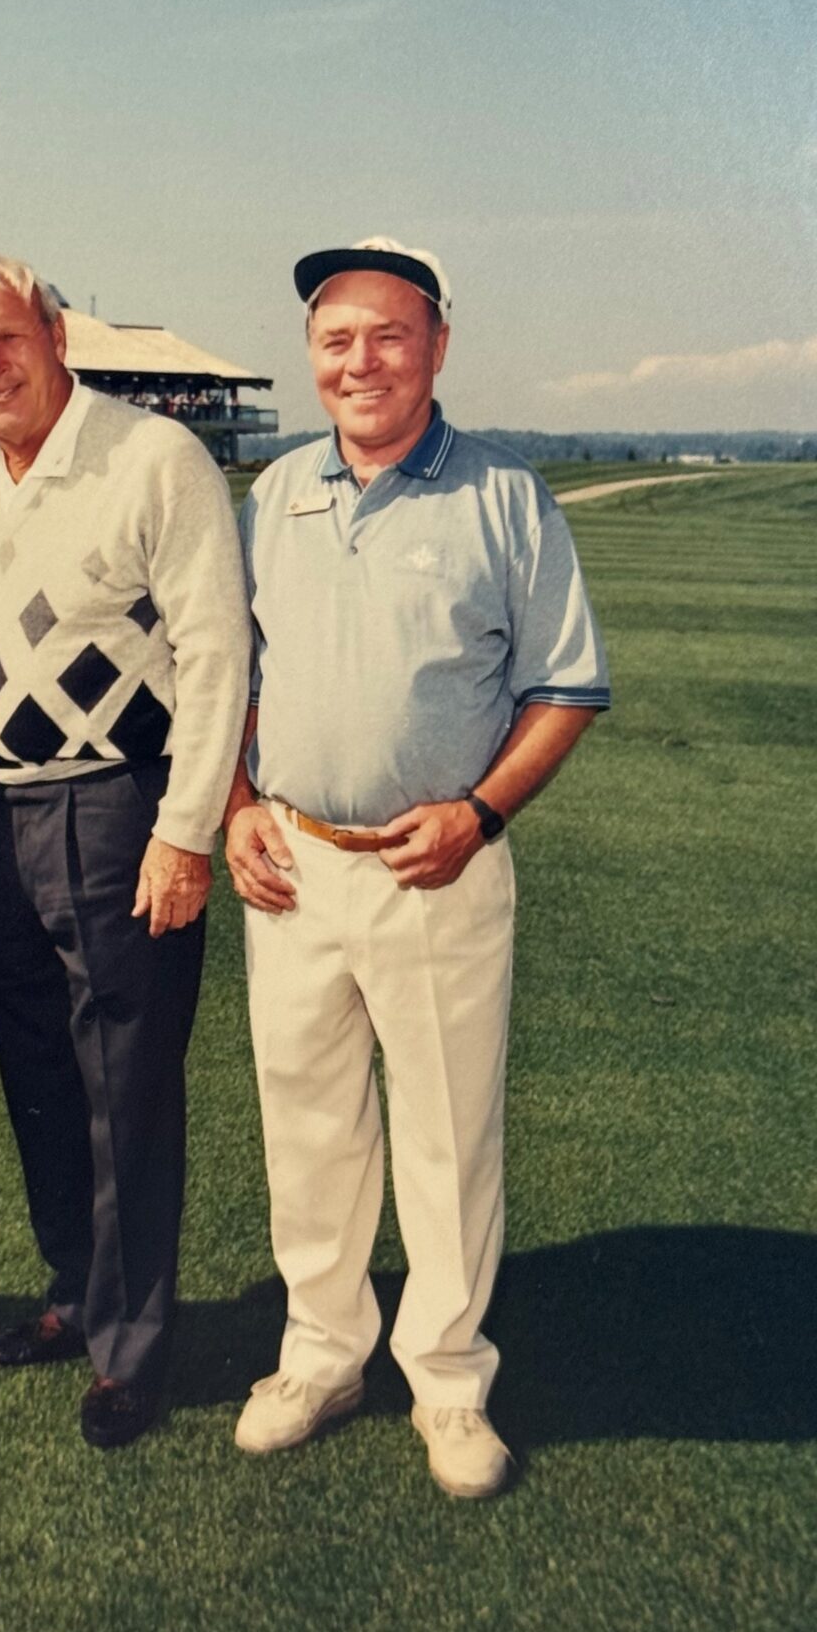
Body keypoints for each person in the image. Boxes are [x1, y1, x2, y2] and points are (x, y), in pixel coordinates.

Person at [225, 237, 610, 1496]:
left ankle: (447, 1381)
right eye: (336, 339)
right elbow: (229, 676)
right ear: (310, 356)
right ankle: (322, 1357)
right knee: (309, 1130)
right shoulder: (276, 493)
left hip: (437, 869)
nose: (362, 361)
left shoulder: (504, 495)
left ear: (439, 345)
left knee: (446, 1136)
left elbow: (564, 688)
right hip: (293, 868)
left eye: (389, 335)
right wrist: (235, 805)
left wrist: (479, 815)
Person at [0, 254, 248, 1448]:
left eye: (6, 336)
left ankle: (132, 1351)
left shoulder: (155, 457)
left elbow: (217, 650)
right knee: (41, 1076)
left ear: (57, 335)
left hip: (120, 806)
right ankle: (76, 1291)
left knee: (127, 1085)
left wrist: (186, 831)